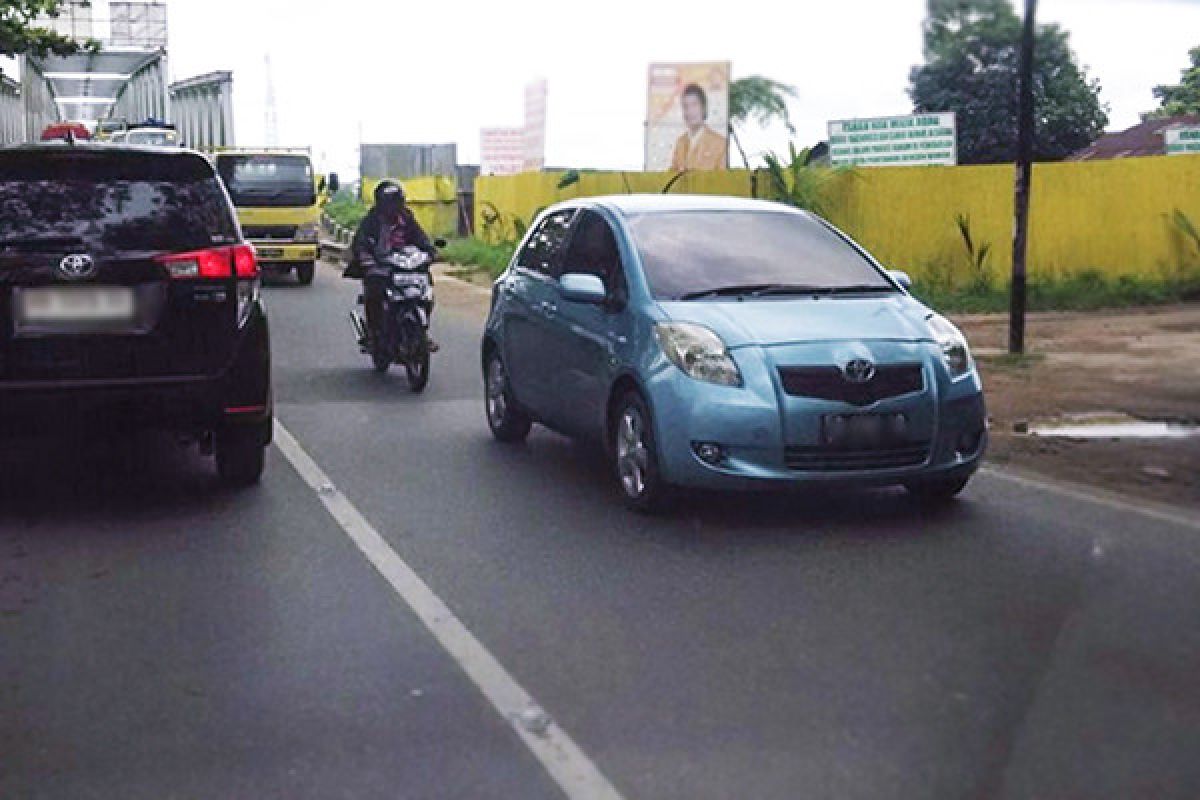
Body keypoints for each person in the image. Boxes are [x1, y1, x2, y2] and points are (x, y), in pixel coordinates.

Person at [348, 180, 439, 351]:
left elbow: (421, 238)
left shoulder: (407, 218)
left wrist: (430, 252)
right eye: (391, 204)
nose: (394, 208)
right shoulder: (372, 221)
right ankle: (374, 333)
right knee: (375, 288)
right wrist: (366, 259)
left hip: (405, 263)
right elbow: (360, 244)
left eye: (397, 202)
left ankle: (421, 333)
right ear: (381, 205)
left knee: (425, 289)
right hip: (381, 265)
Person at [669, 84, 729, 172]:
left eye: (694, 105)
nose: (690, 111)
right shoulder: (680, 142)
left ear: (704, 108)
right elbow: (671, 177)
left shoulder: (720, 143)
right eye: (685, 106)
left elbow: (723, 181)